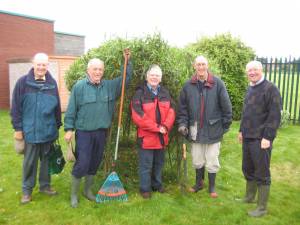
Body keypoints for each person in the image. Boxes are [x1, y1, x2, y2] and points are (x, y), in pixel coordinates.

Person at [64, 49, 132, 208]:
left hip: (101, 133)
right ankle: (74, 195)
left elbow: (125, 80)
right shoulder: (79, 87)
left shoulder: (109, 86)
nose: (98, 72)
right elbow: (71, 109)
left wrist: (127, 61)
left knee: (94, 162)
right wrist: (68, 129)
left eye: (100, 69)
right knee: (82, 163)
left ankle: (87, 191)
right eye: (95, 69)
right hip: (84, 133)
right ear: (88, 70)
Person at [177, 55, 232, 198]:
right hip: (194, 129)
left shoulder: (218, 84)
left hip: (213, 128)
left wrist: (224, 127)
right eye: (198, 64)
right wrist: (183, 124)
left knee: (212, 158)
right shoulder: (188, 85)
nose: (201, 67)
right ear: (194, 66)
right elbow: (182, 109)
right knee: (197, 158)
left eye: (203, 64)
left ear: (207, 66)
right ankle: (199, 183)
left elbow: (226, 107)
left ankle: (212, 187)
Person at [11, 53, 62, 204]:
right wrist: (18, 129)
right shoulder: (22, 83)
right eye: (38, 64)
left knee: (46, 161)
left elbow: (57, 108)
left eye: (44, 65)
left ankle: (45, 186)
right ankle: (27, 190)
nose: (41, 67)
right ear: (33, 64)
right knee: (29, 163)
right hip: (30, 132)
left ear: (47, 65)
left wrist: (57, 125)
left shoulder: (52, 84)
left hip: (48, 132)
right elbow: (15, 108)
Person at [238, 60, 281, 217]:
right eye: (249, 70)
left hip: (261, 139)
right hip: (248, 136)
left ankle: (262, 208)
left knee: (262, 172)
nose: (252, 72)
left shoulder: (271, 89)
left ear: (261, 70)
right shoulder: (250, 88)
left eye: (255, 70)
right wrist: (241, 130)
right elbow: (246, 112)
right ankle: (249, 197)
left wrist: (268, 137)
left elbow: (275, 115)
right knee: (248, 168)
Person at [131, 65, 175, 199]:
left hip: (162, 137)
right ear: (147, 77)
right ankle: (145, 188)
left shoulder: (165, 93)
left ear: (160, 78)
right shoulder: (140, 93)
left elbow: (172, 111)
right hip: (147, 137)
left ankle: (157, 185)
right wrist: (157, 128)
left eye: (157, 75)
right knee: (146, 165)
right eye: (152, 75)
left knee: (159, 163)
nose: (154, 77)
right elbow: (138, 116)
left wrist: (166, 126)